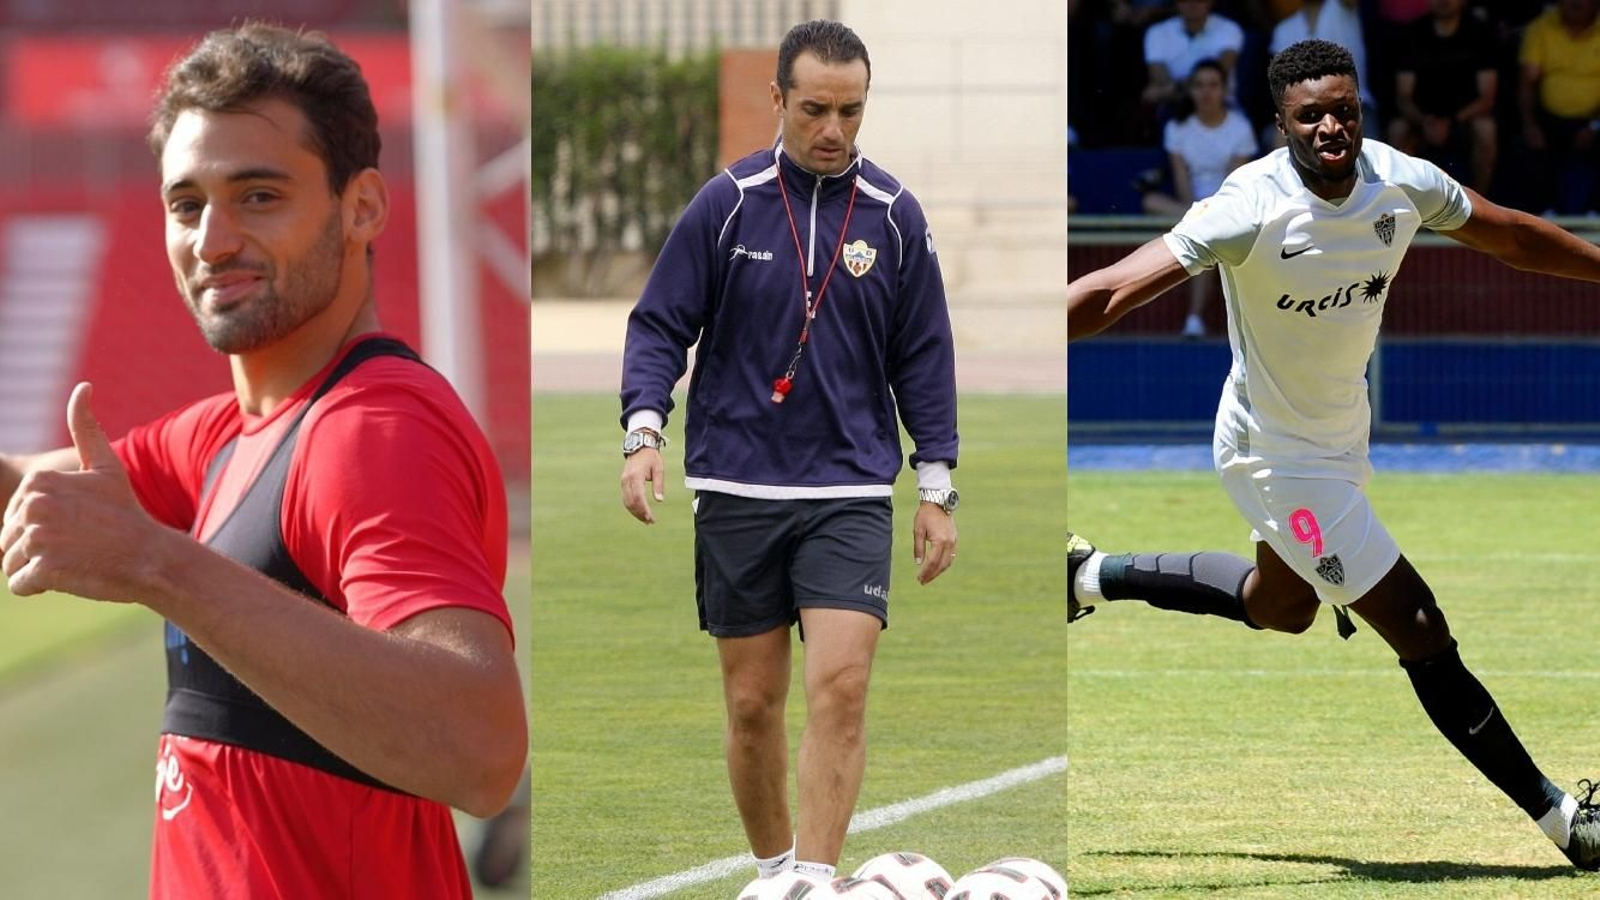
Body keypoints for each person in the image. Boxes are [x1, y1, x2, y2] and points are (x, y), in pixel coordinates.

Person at [0, 24, 527, 898]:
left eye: (258, 196)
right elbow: (37, 493)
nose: (211, 241)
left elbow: (479, 751)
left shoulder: (373, 431)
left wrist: (151, 562)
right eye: (186, 204)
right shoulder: (231, 432)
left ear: (362, 207)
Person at [1066, 39, 1600, 870]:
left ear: (1362, 111)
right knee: (1419, 626)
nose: (1329, 126)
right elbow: (1107, 292)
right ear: (1279, 122)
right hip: (1273, 458)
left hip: (1340, 439)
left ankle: (1088, 575)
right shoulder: (1248, 204)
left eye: (1343, 110)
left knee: (1281, 606)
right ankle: (1566, 822)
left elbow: (1514, 237)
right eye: (1309, 114)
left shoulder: (1402, 181)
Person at [618, 19, 959, 881]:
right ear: (778, 100)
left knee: (841, 686)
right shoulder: (725, 204)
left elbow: (924, 355)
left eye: (850, 110)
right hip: (737, 486)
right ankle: (775, 871)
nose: (833, 129)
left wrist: (938, 484)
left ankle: (813, 880)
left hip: (849, 490)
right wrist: (644, 430)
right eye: (814, 109)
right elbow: (660, 325)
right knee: (751, 706)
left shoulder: (893, 215)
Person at [1136, 59, 1258, 337]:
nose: (1206, 92)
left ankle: (1194, 317)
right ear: (1190, 91)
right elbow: (1182, 181)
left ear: (1225, 90)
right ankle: (1194, 316)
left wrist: (1211, 215)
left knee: (1206, 232)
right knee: (1152, 202)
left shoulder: (1240, 128)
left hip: (1229, 206)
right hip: (1189, 208)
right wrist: (1198, 214)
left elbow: (1235, 183)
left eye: (1213, 85)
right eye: (1199, 85)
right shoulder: (1177, 129)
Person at [1388, 0, 1500, 194]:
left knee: (1486, 129)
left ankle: (1480, 203)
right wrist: (1425, 121)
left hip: (1465, 118)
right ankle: (1403, 205)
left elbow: (1487, 97)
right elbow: (1403, 97)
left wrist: (1453, 121)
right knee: (1398, 130)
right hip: (1423, 120)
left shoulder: (1480, 32)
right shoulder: (1412, 34)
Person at [1518, 0, 1600, 215]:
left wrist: (1594, 125)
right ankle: (1542, 214)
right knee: (1523, 140)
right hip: (1549, 117)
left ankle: (1594, 212)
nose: (1575, 2)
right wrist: (1530, 124)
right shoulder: (1541, 28)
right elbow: (1527, 82)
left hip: (1595, 119)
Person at [1142, 0, 1245, 114]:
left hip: (1220, 105)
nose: (1192, 3)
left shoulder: (1230, 29)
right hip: (1174, 106)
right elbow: (1160, 80)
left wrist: (1169, 91)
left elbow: (1217, 75)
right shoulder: (1156, 32)